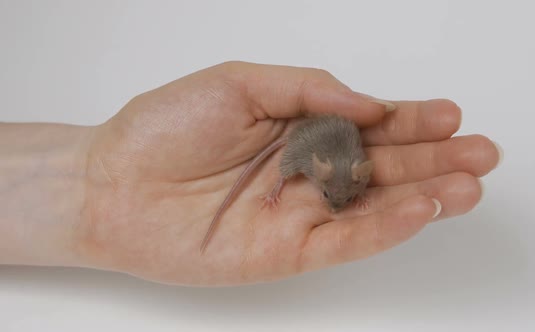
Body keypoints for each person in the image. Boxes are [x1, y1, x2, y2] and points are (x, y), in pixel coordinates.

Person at [0, 61, 501, 286]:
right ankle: (281, 179)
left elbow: (349, 182)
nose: (334, 201)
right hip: (309, 147)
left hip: (335, 150)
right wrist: (282, 182)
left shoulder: (354, 173)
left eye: (341, 197)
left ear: (360, 179)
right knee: (291, 164)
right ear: (325, 176)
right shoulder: (318, 162)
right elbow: (307, 158)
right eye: (333, 194)